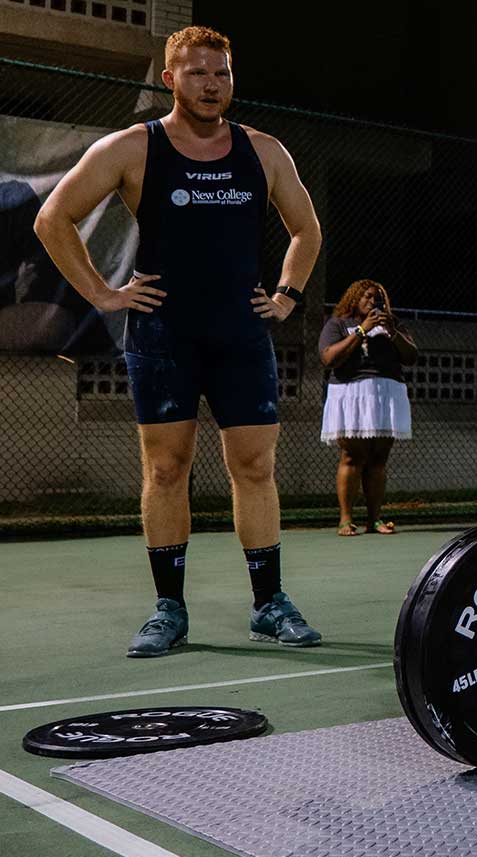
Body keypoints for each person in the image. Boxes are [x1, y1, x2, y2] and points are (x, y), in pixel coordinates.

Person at [34, 26, 323, 655]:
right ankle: (169, 608)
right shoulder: (135, 148)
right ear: (171, 79)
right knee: (166, 469)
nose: (212, 84)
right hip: (163, 334)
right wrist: (103, 295)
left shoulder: (263, 151)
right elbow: (52, 218)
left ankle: (269, 604)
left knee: (255, 466)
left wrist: (286, 296)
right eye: (197, 73)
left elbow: (306, 230)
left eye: (220, 73)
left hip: (241, 334)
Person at [318, 279, 415, 536]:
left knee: (378, 459)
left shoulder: (393, 324)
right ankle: (345, 520)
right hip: (352, 393)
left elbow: (411, 356)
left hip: (387, 393)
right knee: (353, 455)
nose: (373, 302)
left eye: (377, 297)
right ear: (354, 298)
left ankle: (374, 519)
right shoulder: (338, 324)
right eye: (367, 297)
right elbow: (328, 358)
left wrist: (393, 332)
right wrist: (362, 330)